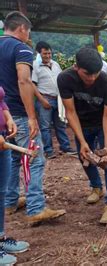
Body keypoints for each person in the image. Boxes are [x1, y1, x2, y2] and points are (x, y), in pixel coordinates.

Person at [0, 11, 66, 224]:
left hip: (3, 113)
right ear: (21, 28)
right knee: (34, 157)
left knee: (14, 158)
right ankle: (36, 207)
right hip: (17, 112)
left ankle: (10, 201)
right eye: (28, 31)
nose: (28, 36)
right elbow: (24, 81)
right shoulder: (21, 48)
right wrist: (31, 116)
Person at [57, 47, 107, 224]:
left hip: (102, 123)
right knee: (84, 156)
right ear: (76, 67)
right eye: (87, 74)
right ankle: (96, 187)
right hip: (81, 123)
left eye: (96, 74)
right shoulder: (65, 78)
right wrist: (83, 141)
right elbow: (70, 112)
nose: (91, 78)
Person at [0, 86, 30, 265]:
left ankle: (1, 238)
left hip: (3, 140)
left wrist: (8, 117)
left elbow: (1, 99)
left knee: (1, 192)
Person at [32, 41, 76, 159]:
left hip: (58, 99)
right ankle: (48, 150)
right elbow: (32, 85)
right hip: (45, 99)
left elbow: (61, 79)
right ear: (38, 53)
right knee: (45, 127)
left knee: (60, 124)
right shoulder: (35, 66)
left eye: (49, 53)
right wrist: (41, 100)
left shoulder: (55, 64)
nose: (47, 56)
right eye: (45, 53)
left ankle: (65, 147)